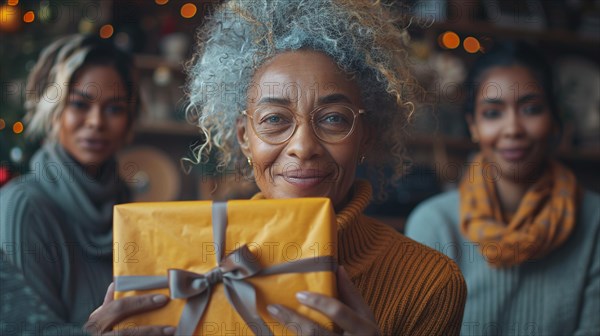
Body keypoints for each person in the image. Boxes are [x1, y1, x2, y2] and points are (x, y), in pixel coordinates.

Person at [86, 1, 467, 335]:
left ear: (365, 135)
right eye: (274, 119)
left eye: (333, 118)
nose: (303, 147)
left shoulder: (429, 283)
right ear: (244, 136)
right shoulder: (175, 254)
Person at [405, 41, 600, 336]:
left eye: (531, 109)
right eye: (493, 113)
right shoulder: (434, 225)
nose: (513, 128)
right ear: (473, 125)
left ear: (555, 120)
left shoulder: (594, 221)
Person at [0, 34, 138, 326]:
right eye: (79, 104)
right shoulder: (24, 206)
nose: (96, 122)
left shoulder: (128, 204)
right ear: (52, 112)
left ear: (129, 120)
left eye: (114, 109)